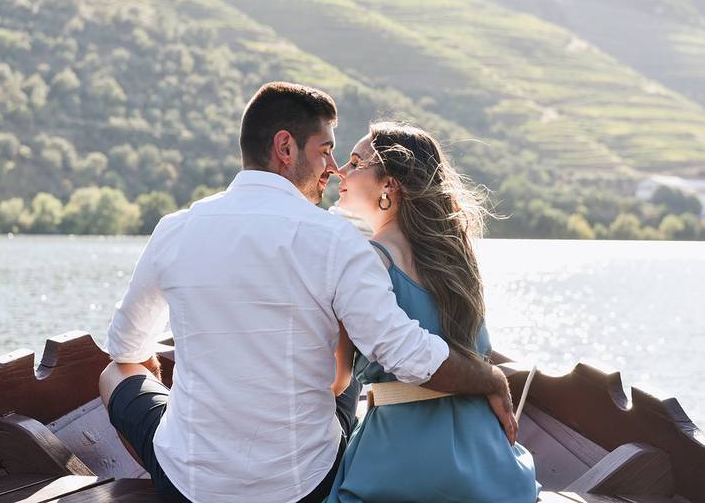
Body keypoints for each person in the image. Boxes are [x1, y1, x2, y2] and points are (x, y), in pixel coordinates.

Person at [98, 82, 517, 503]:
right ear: (285, 147)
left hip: (189, 485)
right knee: (345, 374)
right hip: (304, 488)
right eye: (325, 150)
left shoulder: (174, 230)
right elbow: (403, 354)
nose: (333, 168)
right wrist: (491, 378)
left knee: (115, 372)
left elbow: (125, 347)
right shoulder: (336, 238)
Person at [326, 121, 540, 502]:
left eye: (355, 163)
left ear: (389, 185)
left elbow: (337, 379)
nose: (341, 171)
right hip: (485, 457)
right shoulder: (457, 257)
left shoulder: (366, 260)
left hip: (402, 459)